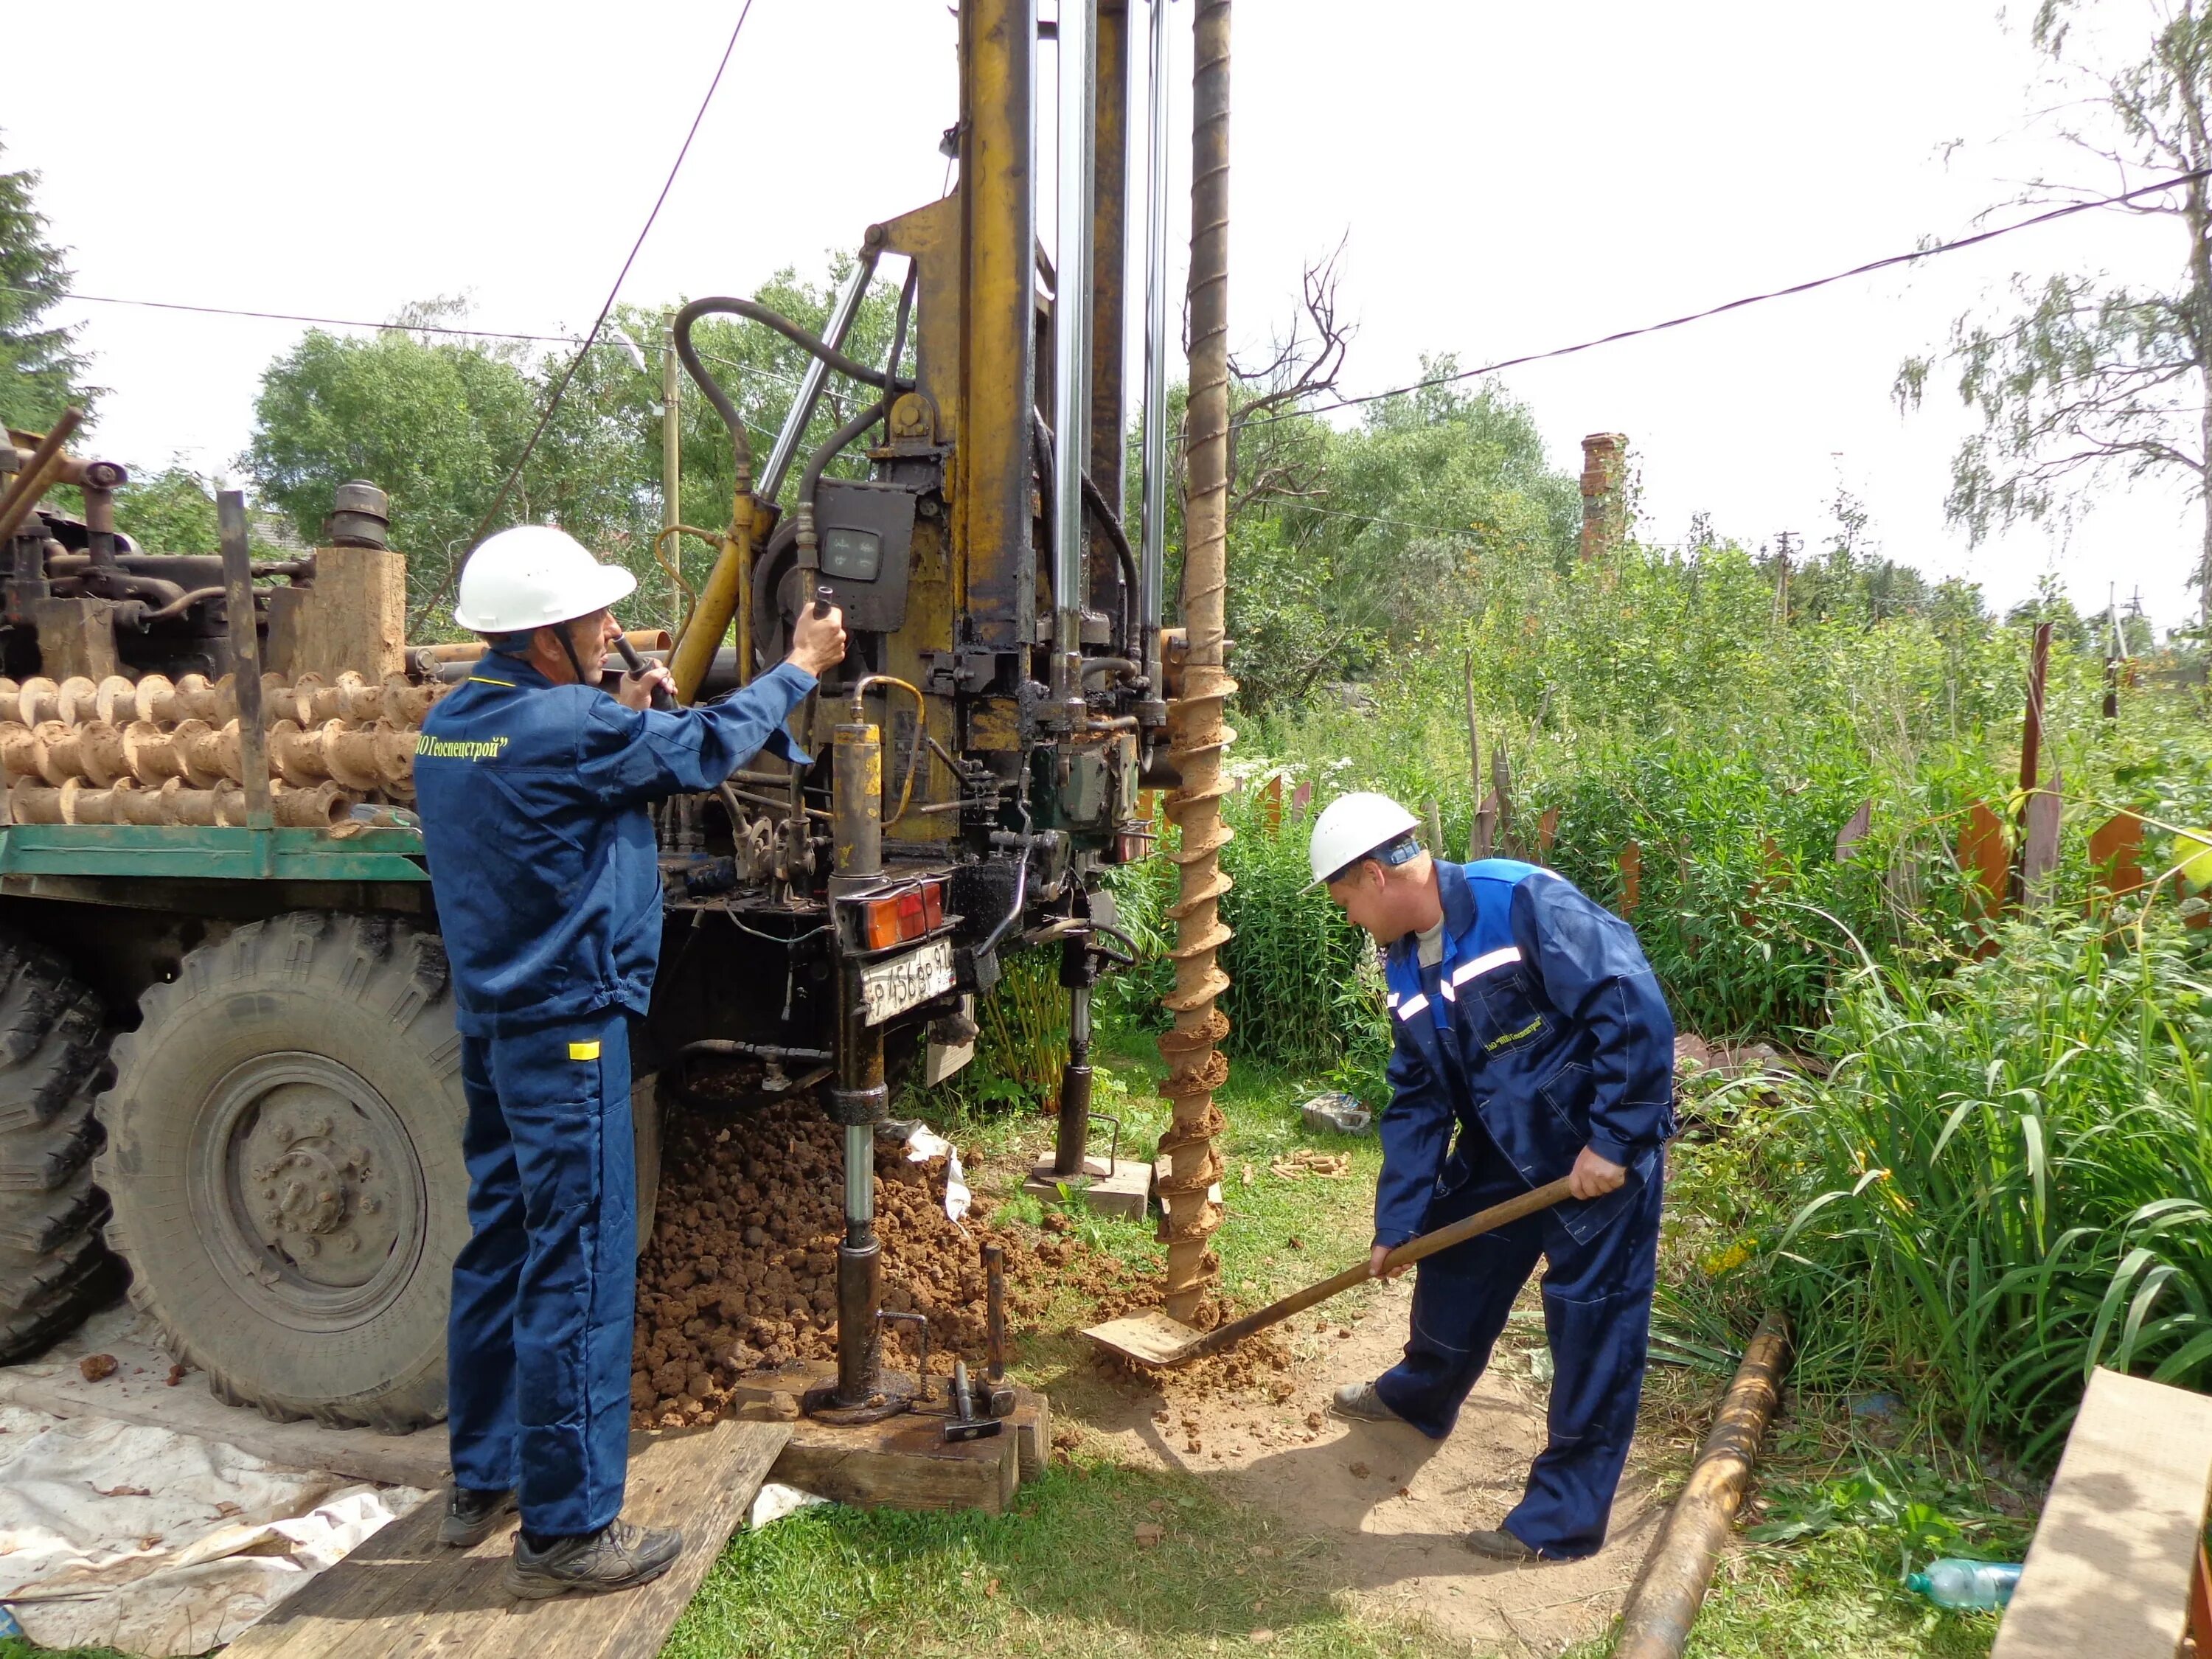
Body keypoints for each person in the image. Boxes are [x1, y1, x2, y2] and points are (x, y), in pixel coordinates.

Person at [413, 524, 846, 1599]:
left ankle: (485, 1475)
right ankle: (566, 1527)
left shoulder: (453, 727)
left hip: (494, 1022)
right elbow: (704, 753)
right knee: (583, 1261)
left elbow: (551, 791)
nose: (615, 630)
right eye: (597, 618)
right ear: (546, 636)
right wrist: (798, 668)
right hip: (569, 1029)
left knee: (503, 1239)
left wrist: (624, 711)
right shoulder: (568, 724)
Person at [1309, 792, 1674, 1564]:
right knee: (1451, 1263)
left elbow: (1630, 1005)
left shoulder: (1522, 903)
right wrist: (1400, 1225)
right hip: (1500, 1150)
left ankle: (1559, 1522)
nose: (1349, 919)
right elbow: (1417, 1098)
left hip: (1590, 1160)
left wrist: (1615, 1139)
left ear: (1376, 875)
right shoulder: (1405, 960)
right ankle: (1420, 1396)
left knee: (1592, 1326)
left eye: (1346, 901)